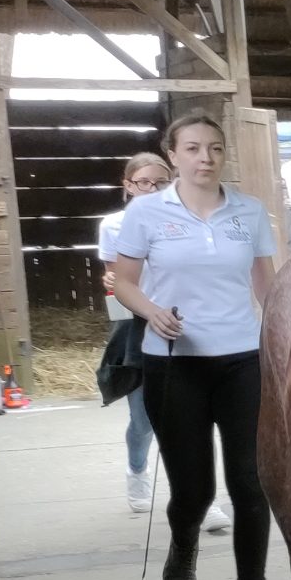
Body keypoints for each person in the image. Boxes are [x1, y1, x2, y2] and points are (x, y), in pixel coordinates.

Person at [106, 114, 281, 580]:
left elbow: (267, 287)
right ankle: (184, 540)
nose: (205, 157)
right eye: (193, 148)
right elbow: (125, 284)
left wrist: (286, 337)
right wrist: (152, 312)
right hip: (173, 362)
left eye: (215, 148)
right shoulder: (145, 213)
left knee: (251, 486)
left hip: (241, 361)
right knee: (195, 489)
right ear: (173, 154)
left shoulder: (248, 213)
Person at [96, 152, 171, 513]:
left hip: (179, 322)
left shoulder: (185, 222)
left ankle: (197, 497)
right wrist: (111, 281)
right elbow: (116, 280)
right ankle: (137, 470)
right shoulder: (114, 225)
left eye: (161, 182)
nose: (152, 189)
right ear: (128, 186)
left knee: (188, 417)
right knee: (142, 420)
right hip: (138, 323)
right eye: (144, 182)